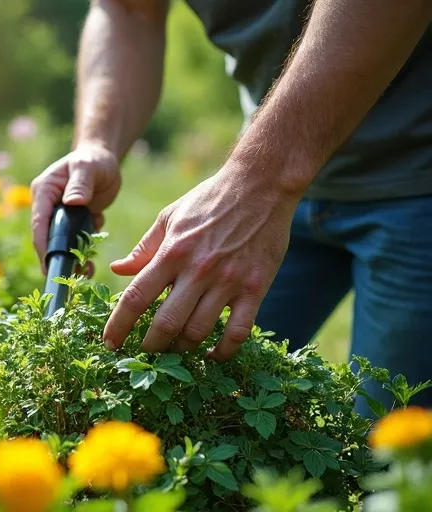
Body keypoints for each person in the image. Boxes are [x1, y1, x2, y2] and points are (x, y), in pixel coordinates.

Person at [30, 0, 432, 414]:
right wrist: (97, 141)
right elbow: (129, 10)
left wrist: (259, 181)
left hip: (416, 174)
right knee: (196, 399)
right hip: (272, 172)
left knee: (393, 454)